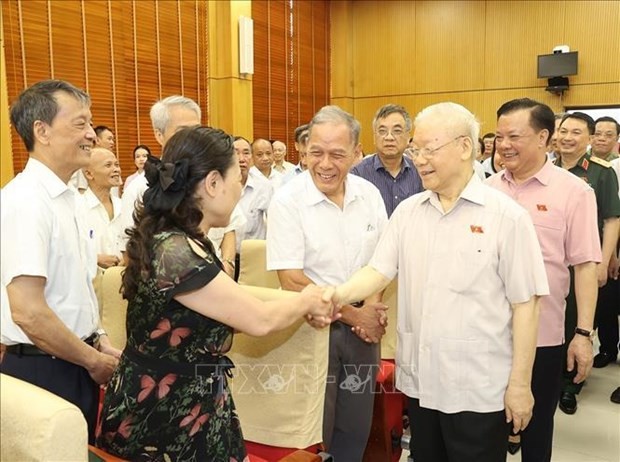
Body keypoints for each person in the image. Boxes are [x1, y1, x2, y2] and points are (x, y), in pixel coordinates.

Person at [96, 126, 337, 461]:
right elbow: (259, 320)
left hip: (180, 400)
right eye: (237, 177)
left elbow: (223, 313)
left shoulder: (182, 238)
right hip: (164, 415)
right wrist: (309, 299)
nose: (241, 188)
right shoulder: (177, 252)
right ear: (212, 184)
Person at [331, 102, 549, 462]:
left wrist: (520, 385)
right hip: (422, 383)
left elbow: (526, 304)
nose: (418, 159)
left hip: (478, 389)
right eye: (415, 149)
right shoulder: (409, 212)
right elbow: (377, 272)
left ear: (465, 147)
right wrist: (332, 296)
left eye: (428, 149)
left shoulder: (506, 218)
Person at [267, 105, 388, 461]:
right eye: (316, 153)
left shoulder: (369, 195)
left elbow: (381, 263)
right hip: (312, 331)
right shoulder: (288, 201)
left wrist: (371, 309)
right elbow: (291, 279)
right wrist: (356, 315)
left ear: (356, 153)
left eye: (337, 154)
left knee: (356, 425)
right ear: (303, 151)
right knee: (318, 431)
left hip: (363, 333)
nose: (325, 164)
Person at [1, 80, 119, 442]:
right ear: (42, 131)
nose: (92, 135)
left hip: (74, 360)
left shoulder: (69, 199)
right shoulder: (25, 202)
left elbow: (73, 291)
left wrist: (97, 341)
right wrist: (92, 361)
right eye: (80, 124)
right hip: (42, 368)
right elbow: (28, 313)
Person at [486, 98, 601, 461]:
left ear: (543, 137)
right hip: (486, 335)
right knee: (487, 432)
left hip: (543, 337)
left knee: (535, 432)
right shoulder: (486, 191)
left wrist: (583, 334)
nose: (503, 144)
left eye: (514, 136)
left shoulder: (575, 192)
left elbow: (585, 267)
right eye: (500, 136)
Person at [555, 112, 620, 414]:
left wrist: (603, 261)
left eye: (576, 132)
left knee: (579, 322)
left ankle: (570, 385)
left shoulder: (601, 172)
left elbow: (611, 219)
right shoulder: (546, 169)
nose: (567, 137)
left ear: (590, 139)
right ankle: (550, 376)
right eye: (563, 131)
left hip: (583, 260)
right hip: (553, 261)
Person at [119, 95, 202, 253]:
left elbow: (230, 227)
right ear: (159, 135)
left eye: (197, 130)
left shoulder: (209, 176)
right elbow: (130, 249)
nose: (192, 138)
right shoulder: (139, 188)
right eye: (182, 131)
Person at [350, 104, 423, 217]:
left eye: (397, 131)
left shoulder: (420, 171)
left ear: (408, 137)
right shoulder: (358, 174)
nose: (389, 137)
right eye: (382, 131)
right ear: (374, 137)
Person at [591, 116, 620, 369]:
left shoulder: (614, 167)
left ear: (616, 139)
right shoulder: (586, 166)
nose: (601, 138)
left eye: (608, 134)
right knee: (603, 304)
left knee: (610, 299)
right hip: (597, 244)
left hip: (611, 242)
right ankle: (608, 348)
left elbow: (614, 216)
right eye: (598, 133)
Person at [233, 136, 274, 280]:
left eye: (246, 153)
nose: (241, 158)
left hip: (253, 260)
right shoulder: (217, 184)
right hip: (226, 258)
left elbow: (275, 222)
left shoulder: (263, 186)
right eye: (236, 153)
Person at [81, 147, 124, 269]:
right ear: (89, 174)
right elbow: (66, 251)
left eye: (117, 164)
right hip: (92, 282)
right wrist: (94, 259)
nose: (116, 169)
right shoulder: (77, 208)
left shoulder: (123, 206)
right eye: (108, 165)